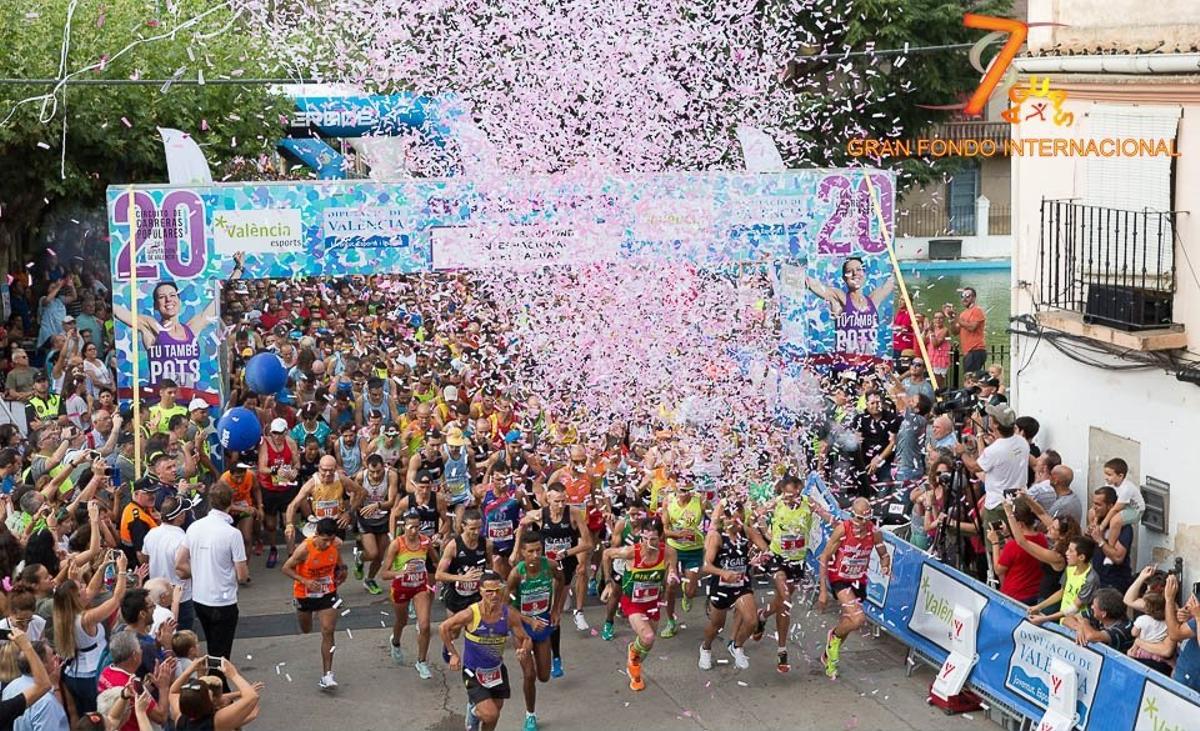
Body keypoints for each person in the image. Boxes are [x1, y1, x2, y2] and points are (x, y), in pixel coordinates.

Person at [440, 569, 540, 731]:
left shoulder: (508, 614)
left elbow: (526, 638)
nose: (494, 595)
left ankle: (476, 713)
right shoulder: (471, 613)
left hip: (497, 670)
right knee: (490, 714)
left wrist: (524, 650)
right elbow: (444, 627)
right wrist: (453, 654)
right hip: (473, 671)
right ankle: (473, 712)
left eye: (497, 591)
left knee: (495, 714)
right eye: (489, 591)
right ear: (481, 591)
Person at [752, 475, 824, 672]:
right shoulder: (776, 503)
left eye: (796, 495)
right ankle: (782, 650)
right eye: (788, 495)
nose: (792, 499)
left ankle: (763, 615)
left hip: (797, 561)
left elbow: (828, 517)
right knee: (784, 599)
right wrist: (766, 533)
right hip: (778, 559)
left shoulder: (808, 503)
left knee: (781, 601)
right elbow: (753, 518)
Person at [600, 515, 677, 692]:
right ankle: (634, 665)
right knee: (648, 636)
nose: (648, 543)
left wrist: (672, 578)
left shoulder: (669, 552)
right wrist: (608, 582)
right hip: (632, 602)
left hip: (653, 602)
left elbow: (671, 572)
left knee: (648, 644)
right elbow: (606, 554)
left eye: (653, 539)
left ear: (661, 538)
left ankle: (634, 656)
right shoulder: (630, 552)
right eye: (645, 538)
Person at [818, 497, 890, 679]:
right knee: (857, 619)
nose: (862, 523)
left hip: (858, 581)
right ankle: (833, 637)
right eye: (858, 518)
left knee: (848, 623)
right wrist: (823, 591)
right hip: (839, 578)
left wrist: (885, 565)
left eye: (866, 519)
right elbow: (824, 557)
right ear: (852, 516)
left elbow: (884, 554)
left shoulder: (874, 533)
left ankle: (828, 654)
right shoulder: (843, 529)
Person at [176, 482, 249, 663]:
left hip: (200, 598)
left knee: (211, 644)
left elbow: (179, 561)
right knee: (221, 651)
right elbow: (242, 575)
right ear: (230, 502)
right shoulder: (232, 534)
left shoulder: (195, 527)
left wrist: (200, 571)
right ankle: (218, 686)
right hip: (224, 601)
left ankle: (215, 682)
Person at [522, 483, 590, 675]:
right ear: (548, 499)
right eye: (556, 501)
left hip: (564, 568)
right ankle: (540, 651)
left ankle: (556, 657)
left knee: (555, 614)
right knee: (542, 609)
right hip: (544, 567)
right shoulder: (540, 514)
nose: (560, 505)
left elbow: (588, 543)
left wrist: (566, 552)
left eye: (563, 500)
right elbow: (522, 524)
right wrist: (516, 551)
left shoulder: (574, 513)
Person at [506, 531, 564, 731]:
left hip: (543, 623)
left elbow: (562, 582)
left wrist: (556, 609)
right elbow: (507, 606)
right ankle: (530, 714)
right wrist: (528, 620)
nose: (535, 555)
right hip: (522, 627)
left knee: (544, 676)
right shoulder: (517, 573)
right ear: (522, 552)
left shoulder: (550, 566)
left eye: (538, 550)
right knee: (529, 674)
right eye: (530, 551)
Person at [280, 517, 345, 690]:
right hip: (305, 594)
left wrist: (342, 573)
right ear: (316, 535)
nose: (327, 544)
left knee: (328, 630)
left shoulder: (335, 545)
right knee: (306, 629)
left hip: (327, 593)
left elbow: (340, 563)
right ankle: (306, 611)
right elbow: (286, 568)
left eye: (331, 540)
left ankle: (327, 675)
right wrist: (305, 581)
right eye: (324, 540)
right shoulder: (304, 549)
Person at [378, 508, 438, 679]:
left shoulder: (425, 542)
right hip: (401, 588)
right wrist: (402, 572)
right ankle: (395, 642)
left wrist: (437, 570)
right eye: (410, 527)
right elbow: (384, 574)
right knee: (402, 621)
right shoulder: (397, 544)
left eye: (417, 527)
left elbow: (436, 561)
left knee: (425, 625)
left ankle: (422, 661)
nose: (414, 531)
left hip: (420, 587)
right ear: (403, 526)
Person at [961, 403, 1029, 551]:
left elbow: (974, 467)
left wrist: (961, 453)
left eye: (991, 417)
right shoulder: (1022, 442)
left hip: (998, 506)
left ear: (995, 424)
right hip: (1018, 502)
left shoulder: (995, 450)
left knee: (997, 548)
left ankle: (995, 572)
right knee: (1012, 545)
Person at [698, 498, 756, 671]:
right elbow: (706, 566)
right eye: (732, 520)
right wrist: (724, 573)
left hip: (741, 586)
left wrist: (761, 557)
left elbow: (765, 548)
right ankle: (706, 648)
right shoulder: (716, 537)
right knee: (717, 625)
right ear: (725, 519)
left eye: (739, 520)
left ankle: (737, 646)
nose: (736, 525)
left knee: (751, 621)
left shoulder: (746, 532)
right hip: (721, 588)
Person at [804, 256, 895, 356]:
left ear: (864, 274)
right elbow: (814, 285)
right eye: (849, 271)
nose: (855, 273)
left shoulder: (873, 300)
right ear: (844, 278)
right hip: (844, 366)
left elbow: (890, 283)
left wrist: (895, 267)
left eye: (858, 269)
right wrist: (795, 272)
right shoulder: (840, 298)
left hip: (868, 364)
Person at [435, 509, 492, 663]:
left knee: (476, 631)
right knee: (454, 632)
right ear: (463, 526)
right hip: (456, 596)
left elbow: (490, 567)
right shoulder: (453, 546)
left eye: (479, 528)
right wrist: (462, 578)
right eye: (472, 528)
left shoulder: (485, 544)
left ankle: (473, 661)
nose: (476, 532)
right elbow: (439, 575)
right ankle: (448, 646)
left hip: (475, 596)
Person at [659, 480, 707, 639]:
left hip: (694, 550)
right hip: (674, 549)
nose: (685, 493)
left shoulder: (699, 499)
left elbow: (710, 521)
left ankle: (688, 595)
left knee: (691, 591)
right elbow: (665, 530)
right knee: (671, 586)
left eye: (688, 490)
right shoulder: (669, 501)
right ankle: (671, 621)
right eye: (681, 490)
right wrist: (677, 535)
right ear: (676, 489)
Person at [140, 495, 194, 631]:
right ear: (179, 516)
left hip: (156, 597)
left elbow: (144, 559)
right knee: (180, 639)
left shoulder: (152, 534)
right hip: (181, 597)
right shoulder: (182, 539)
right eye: (184, 512)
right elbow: (183, 572)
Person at [168, 655, 261, 731]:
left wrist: (190, 670)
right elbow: (252, 697)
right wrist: (234, 675)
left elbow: (173, 692)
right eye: (208, 692)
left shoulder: (180, 718)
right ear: (207, 703)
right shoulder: (216, 722)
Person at [353, 453, 399, 595]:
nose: (375, 475)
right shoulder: (361, 477)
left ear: (384, 467)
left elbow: (391, 502)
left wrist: (377, 505)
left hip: (383, 516)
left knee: (380, 556)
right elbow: (353, 501)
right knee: (372, 553)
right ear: (367, 468)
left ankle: (369, 580)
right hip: (366, 518)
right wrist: (360, 507)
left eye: (378, 471)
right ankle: (359, 557)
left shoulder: (391, 475)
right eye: (372, 472)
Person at [987, 500, 1048, 605]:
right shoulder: (1042, 539)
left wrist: (995, 542)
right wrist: (1007, 535)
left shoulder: (1013, 546)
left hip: (1015, 596)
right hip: (1035, 593)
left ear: (1019, 524)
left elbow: (998, 569)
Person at [258, 418, 300, 569]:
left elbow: (297, 463)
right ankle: (273, 548)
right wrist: (276, 470)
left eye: (279, 433)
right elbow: (261, 467)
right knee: (270, 524)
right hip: (269, 488)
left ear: (285, 432)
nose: (277, 436)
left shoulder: (290, 442)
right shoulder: (265, 443)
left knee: (289, 520)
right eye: (274, 433)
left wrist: (294, 471)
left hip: (286, 487)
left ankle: (291, 553)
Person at [1028, 536, 1099, 624]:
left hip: (1077, 622)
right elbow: (1062, 592)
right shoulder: (1069, 568)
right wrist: (1038, 607)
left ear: (1081, 557)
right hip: (1063, 618)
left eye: (1071, 551)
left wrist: (1045, 619)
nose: (1066, 553)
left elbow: (1074, 608)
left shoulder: (1091, 579)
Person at [0, 636, 63, 731]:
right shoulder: (46, 701)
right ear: (41, 665)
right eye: (52, 656)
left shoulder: (9, 687)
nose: (57, 658)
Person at [1087, 486, 1133, 593]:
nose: (1094, 507)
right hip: (1096, 579)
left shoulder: (1124, 527)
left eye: (1098, 504)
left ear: (1110, 506)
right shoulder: (1097, 520)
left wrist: (1100, 540)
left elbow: (1118, 557)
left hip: (1114, 583)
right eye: (1093, 503)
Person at [1062, 587, 1134, 651]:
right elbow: (1066, 620)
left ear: (1103, 614)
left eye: (1094, 606)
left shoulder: (1124, 628)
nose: (1092, 607)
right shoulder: (1095, 613)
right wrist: (1079, 628)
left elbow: (1091, 636)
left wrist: (1083, 622)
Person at [1164, 574, 1200, 692]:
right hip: (1183, 669)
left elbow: (1174, 634)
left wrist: (1169, 599)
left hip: (1191, 679)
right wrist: (1188, 616)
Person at [1098, 457, 1144, 535]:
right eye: (1105, 474)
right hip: (1120, 504)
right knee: (1093, 511)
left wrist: (1102, 526)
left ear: (1120, 476)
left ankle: (1110, 544)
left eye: (1109, 475)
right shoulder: (1109, 484)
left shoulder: (1126, 489)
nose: (1106, 477)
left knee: (1115, 521)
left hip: (1134, 510)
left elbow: (1115, 510)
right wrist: (1096, 519)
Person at [947, 287, 987, 375]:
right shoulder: (963, 314)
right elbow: (955, 332)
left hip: (976, 350)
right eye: (962, 296)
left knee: (971, 379)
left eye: (967, 296)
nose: (964, 298)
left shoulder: (977, 310)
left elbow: (972, 327)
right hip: (968, 351)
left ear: (974, 298)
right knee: (969, 378)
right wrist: (951, 319)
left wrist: (956, 317)